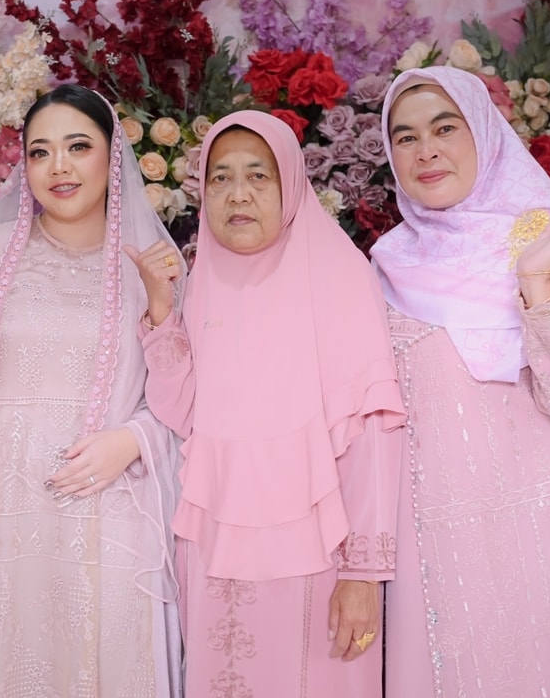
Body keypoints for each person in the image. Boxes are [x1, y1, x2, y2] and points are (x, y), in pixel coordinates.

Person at [0, 84, 185, 698]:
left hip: (102, 502)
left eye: (78, 147)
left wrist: (134, 441)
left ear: (112, 157)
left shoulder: (152, 267)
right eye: (39, 151)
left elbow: (184, 399)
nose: (58, 167)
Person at [371, 66, 550, 697]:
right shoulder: (384, 265)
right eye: (405, 137)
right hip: (433, 550)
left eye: (445, 128)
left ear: (485, 133)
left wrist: (538, 285)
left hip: (545, 538)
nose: (426, 150)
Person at [137, 110, 405, 697]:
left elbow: (374, 437)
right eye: (221, 177)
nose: (238, 195)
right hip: (214, 553)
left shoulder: (337, 277)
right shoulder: (204, 279)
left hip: (321, 563)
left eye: (258, 176)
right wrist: (161, 313)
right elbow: (182, 412)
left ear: (291, 185)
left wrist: (363, 574)